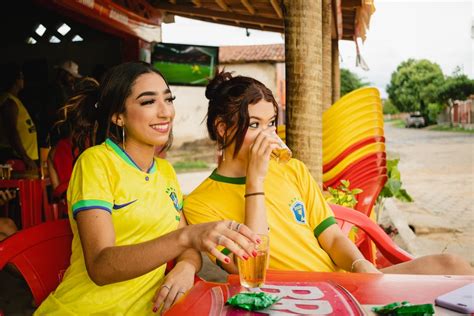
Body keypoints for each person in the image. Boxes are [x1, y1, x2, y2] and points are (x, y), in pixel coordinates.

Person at [183, 71, 474, 276]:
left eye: (270, 123)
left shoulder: (290, 169)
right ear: (223, 128)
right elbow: (247, 270)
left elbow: (332, 238)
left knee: (453, 266)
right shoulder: (200, 203)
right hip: (292, 297)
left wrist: (361, 266)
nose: (267, 134)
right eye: (254, 124)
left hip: (341, 282)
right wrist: (255, 181)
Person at [35, 62, 260, 315]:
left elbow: (188, 250)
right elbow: (100, 266)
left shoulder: (165, 172)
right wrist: (188, 236)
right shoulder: (96, 163)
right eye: (148, 102)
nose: (166, 112)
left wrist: (185, 267)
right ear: (118, 115)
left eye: (169, 99)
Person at [0, 63, 38, 170]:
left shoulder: (14, 100)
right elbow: (11, 131)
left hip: (23, 157)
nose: (23, 80)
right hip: (17, 158)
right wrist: (25, 158)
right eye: (21, 77)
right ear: (15, 80)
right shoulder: (9, 102)